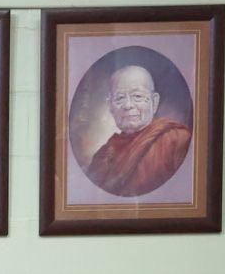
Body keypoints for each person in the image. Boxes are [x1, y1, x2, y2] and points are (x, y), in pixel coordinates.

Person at [81, 64, 191, 197]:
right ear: (110, 105)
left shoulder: (177, 140)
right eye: (120, 98)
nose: (128, 105)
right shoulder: (102, 156)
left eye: (137, 96)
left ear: (154, 101)